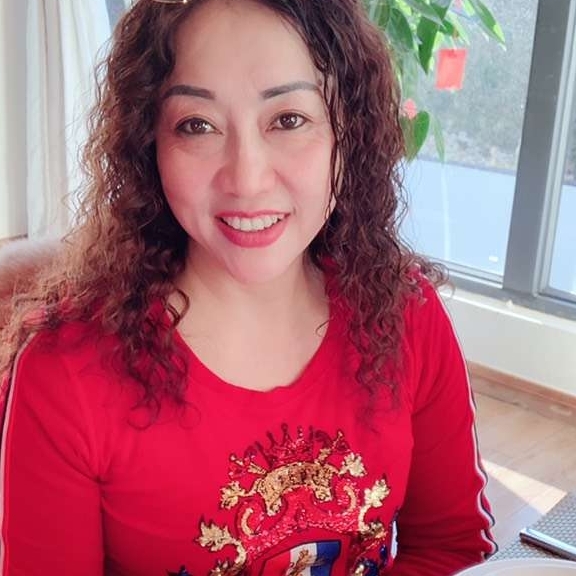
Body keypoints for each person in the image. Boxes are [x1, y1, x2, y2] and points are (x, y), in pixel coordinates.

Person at [0, 0, 497, 574]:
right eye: (197, 125)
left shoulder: (406, 313)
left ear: (348, 132)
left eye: (288, 119)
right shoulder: (64, 376)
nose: (247, 178)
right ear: (148, 145)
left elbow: (452, 549)